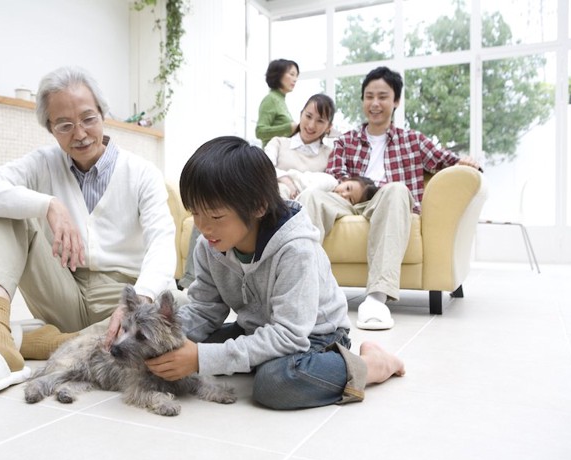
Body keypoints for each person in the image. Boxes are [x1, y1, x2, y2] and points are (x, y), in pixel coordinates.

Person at [0, 66, 178, 403]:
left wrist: (142, 301)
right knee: (5, 214)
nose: (80, 134)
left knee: (183, 310)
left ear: (103, 114)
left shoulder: (141, 172)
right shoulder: (43, 164)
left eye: (88, 118)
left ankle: (45, 342)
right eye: (64, 125)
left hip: (119, 301)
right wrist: (47, 205)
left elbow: (163, 241)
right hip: (62, 286)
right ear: (50, 129)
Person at [144, 136, 405, 410]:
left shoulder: (295, 249)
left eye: (216, 217)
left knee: (275, 383)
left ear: (258, 206)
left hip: (316, 337)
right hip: (258, 328)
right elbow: (204, 310)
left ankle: (368, 365)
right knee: (180, 345)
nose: (204, 227)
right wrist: (158, 338)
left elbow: (290, 335)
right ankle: (259, 358)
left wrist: (200, 358)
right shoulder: (209, 246)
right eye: (195, 213)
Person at [298, 66, 481, 331]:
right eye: (369, 96)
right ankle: (305, 293)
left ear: (395, 101)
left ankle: (376, 298)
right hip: (347, 200)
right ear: (362, 100)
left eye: (382, 97)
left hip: (387, 200)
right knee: (311, 197)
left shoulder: (412, 141)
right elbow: (335, 174)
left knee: (396, 189)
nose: (375, 103)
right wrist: (353, 187)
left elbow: (445, 160)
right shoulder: (346, 141)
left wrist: (467, 162)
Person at [263, 93, 336, 199]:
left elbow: (331, 187)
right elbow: (262, 168)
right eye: (308, 116)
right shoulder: (278, 143)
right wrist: (285, 180)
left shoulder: (330, 155)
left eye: (320, 121)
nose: (311, 125)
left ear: (329, 127)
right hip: (273, 204)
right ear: (301, 114)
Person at [255, 59, 299, 148]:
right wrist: (289, 128)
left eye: (296, 76)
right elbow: (260, 131)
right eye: (292, 74)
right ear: (279, 74)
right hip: (270, 158)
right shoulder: (271, 99)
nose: (295, 79)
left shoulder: (281, 101)